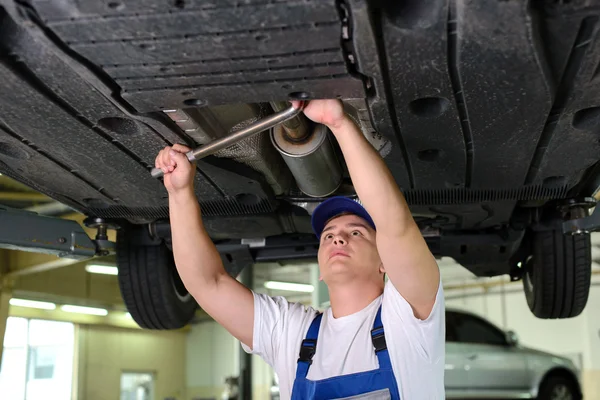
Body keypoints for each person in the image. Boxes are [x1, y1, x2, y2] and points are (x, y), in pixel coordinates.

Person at [154, 99, 445, 399]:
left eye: (355, 232)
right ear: (319, 267)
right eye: (328, 235)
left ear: (385, 261)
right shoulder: (294, 334)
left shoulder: (409, 321)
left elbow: (395, 224)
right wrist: (179, 194)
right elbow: (207, 284)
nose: (337, 239)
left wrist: (339, 124)